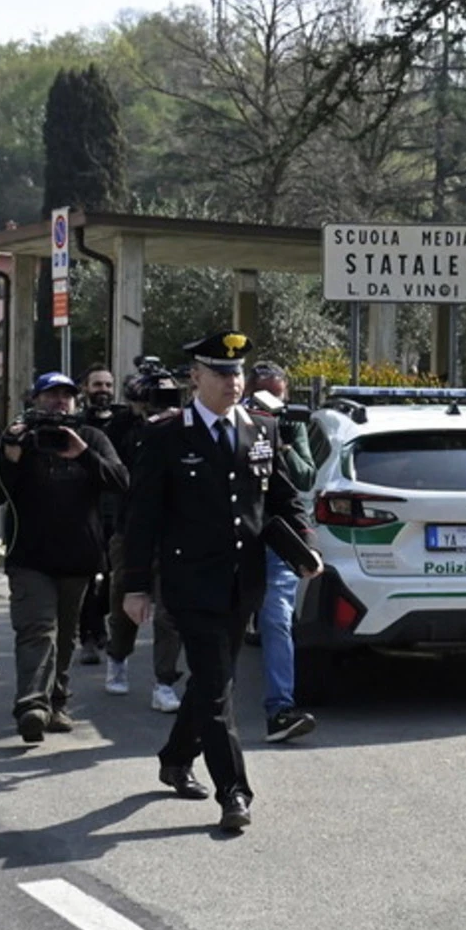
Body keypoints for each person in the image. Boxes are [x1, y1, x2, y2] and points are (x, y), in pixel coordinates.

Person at [121, 332, 319, 833]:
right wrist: (135, 586)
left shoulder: (260, 428)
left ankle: (174, 758)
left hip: (243, 580)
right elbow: (141, 518)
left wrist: (304, 543)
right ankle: (234, 791)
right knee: (215, 688)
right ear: (195, 378)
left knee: (215, 680)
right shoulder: (166, 435)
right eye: (222, 373)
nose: (233, 382)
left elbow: (281, 497)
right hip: (190, 582)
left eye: (237, 372)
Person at [0, 370, 129, 742]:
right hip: (29, 558)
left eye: (66, 395)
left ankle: (57, 701)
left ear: (76, 402)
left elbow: (121, 481)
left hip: (78, 558)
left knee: (65, 636)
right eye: (51, 395)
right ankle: (32, 705)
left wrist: (84, 455)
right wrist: (10, 457)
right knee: (37, 629)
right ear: (35, 400)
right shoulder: (19, 437)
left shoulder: (92, 438)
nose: (59, 401)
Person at [102, 367, 187, 713]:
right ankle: (117, 656)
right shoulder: (123, 426)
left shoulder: (184, 426)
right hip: (131, 528)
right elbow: (113, 469)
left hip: (173, 532)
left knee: (169, 612)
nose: (160, 405)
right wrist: (138, 416)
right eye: (154, 397)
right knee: (125, 599)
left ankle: (164, 682)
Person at [244, 360, 317, 743]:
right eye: (264, 394)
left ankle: (280, 710)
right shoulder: (234, 422)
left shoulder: (289, 426)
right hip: (235, 536)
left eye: (279, 393)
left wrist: (281, 444)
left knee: (277, 620)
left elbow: (303, 478)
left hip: (275, 538)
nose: (273, 401)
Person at [76, 365, 135, 664]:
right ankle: (88, 635)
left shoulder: (125, 420)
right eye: (97, 385)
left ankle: (99, 622)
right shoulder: (79, 424)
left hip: (120, 510)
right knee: (88, 574)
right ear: (85, 388)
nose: (103, 391)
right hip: (86, 509)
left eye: (108, 385)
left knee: (115, 576)